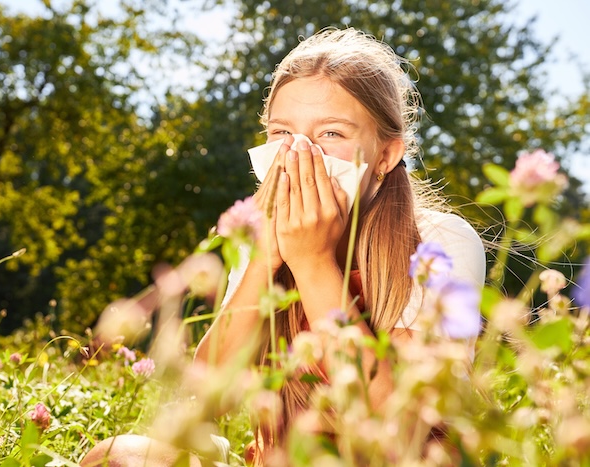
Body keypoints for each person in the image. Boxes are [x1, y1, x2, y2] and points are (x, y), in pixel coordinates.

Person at [82, 27, 485, 466]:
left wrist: (312, 261)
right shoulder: (262, 235)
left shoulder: (439, 241)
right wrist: (265, 259)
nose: (299, 153)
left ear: (385, 156)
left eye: (331, 133)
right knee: (116, 457)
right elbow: (203, 396)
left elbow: (398, 424)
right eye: (281, 133)